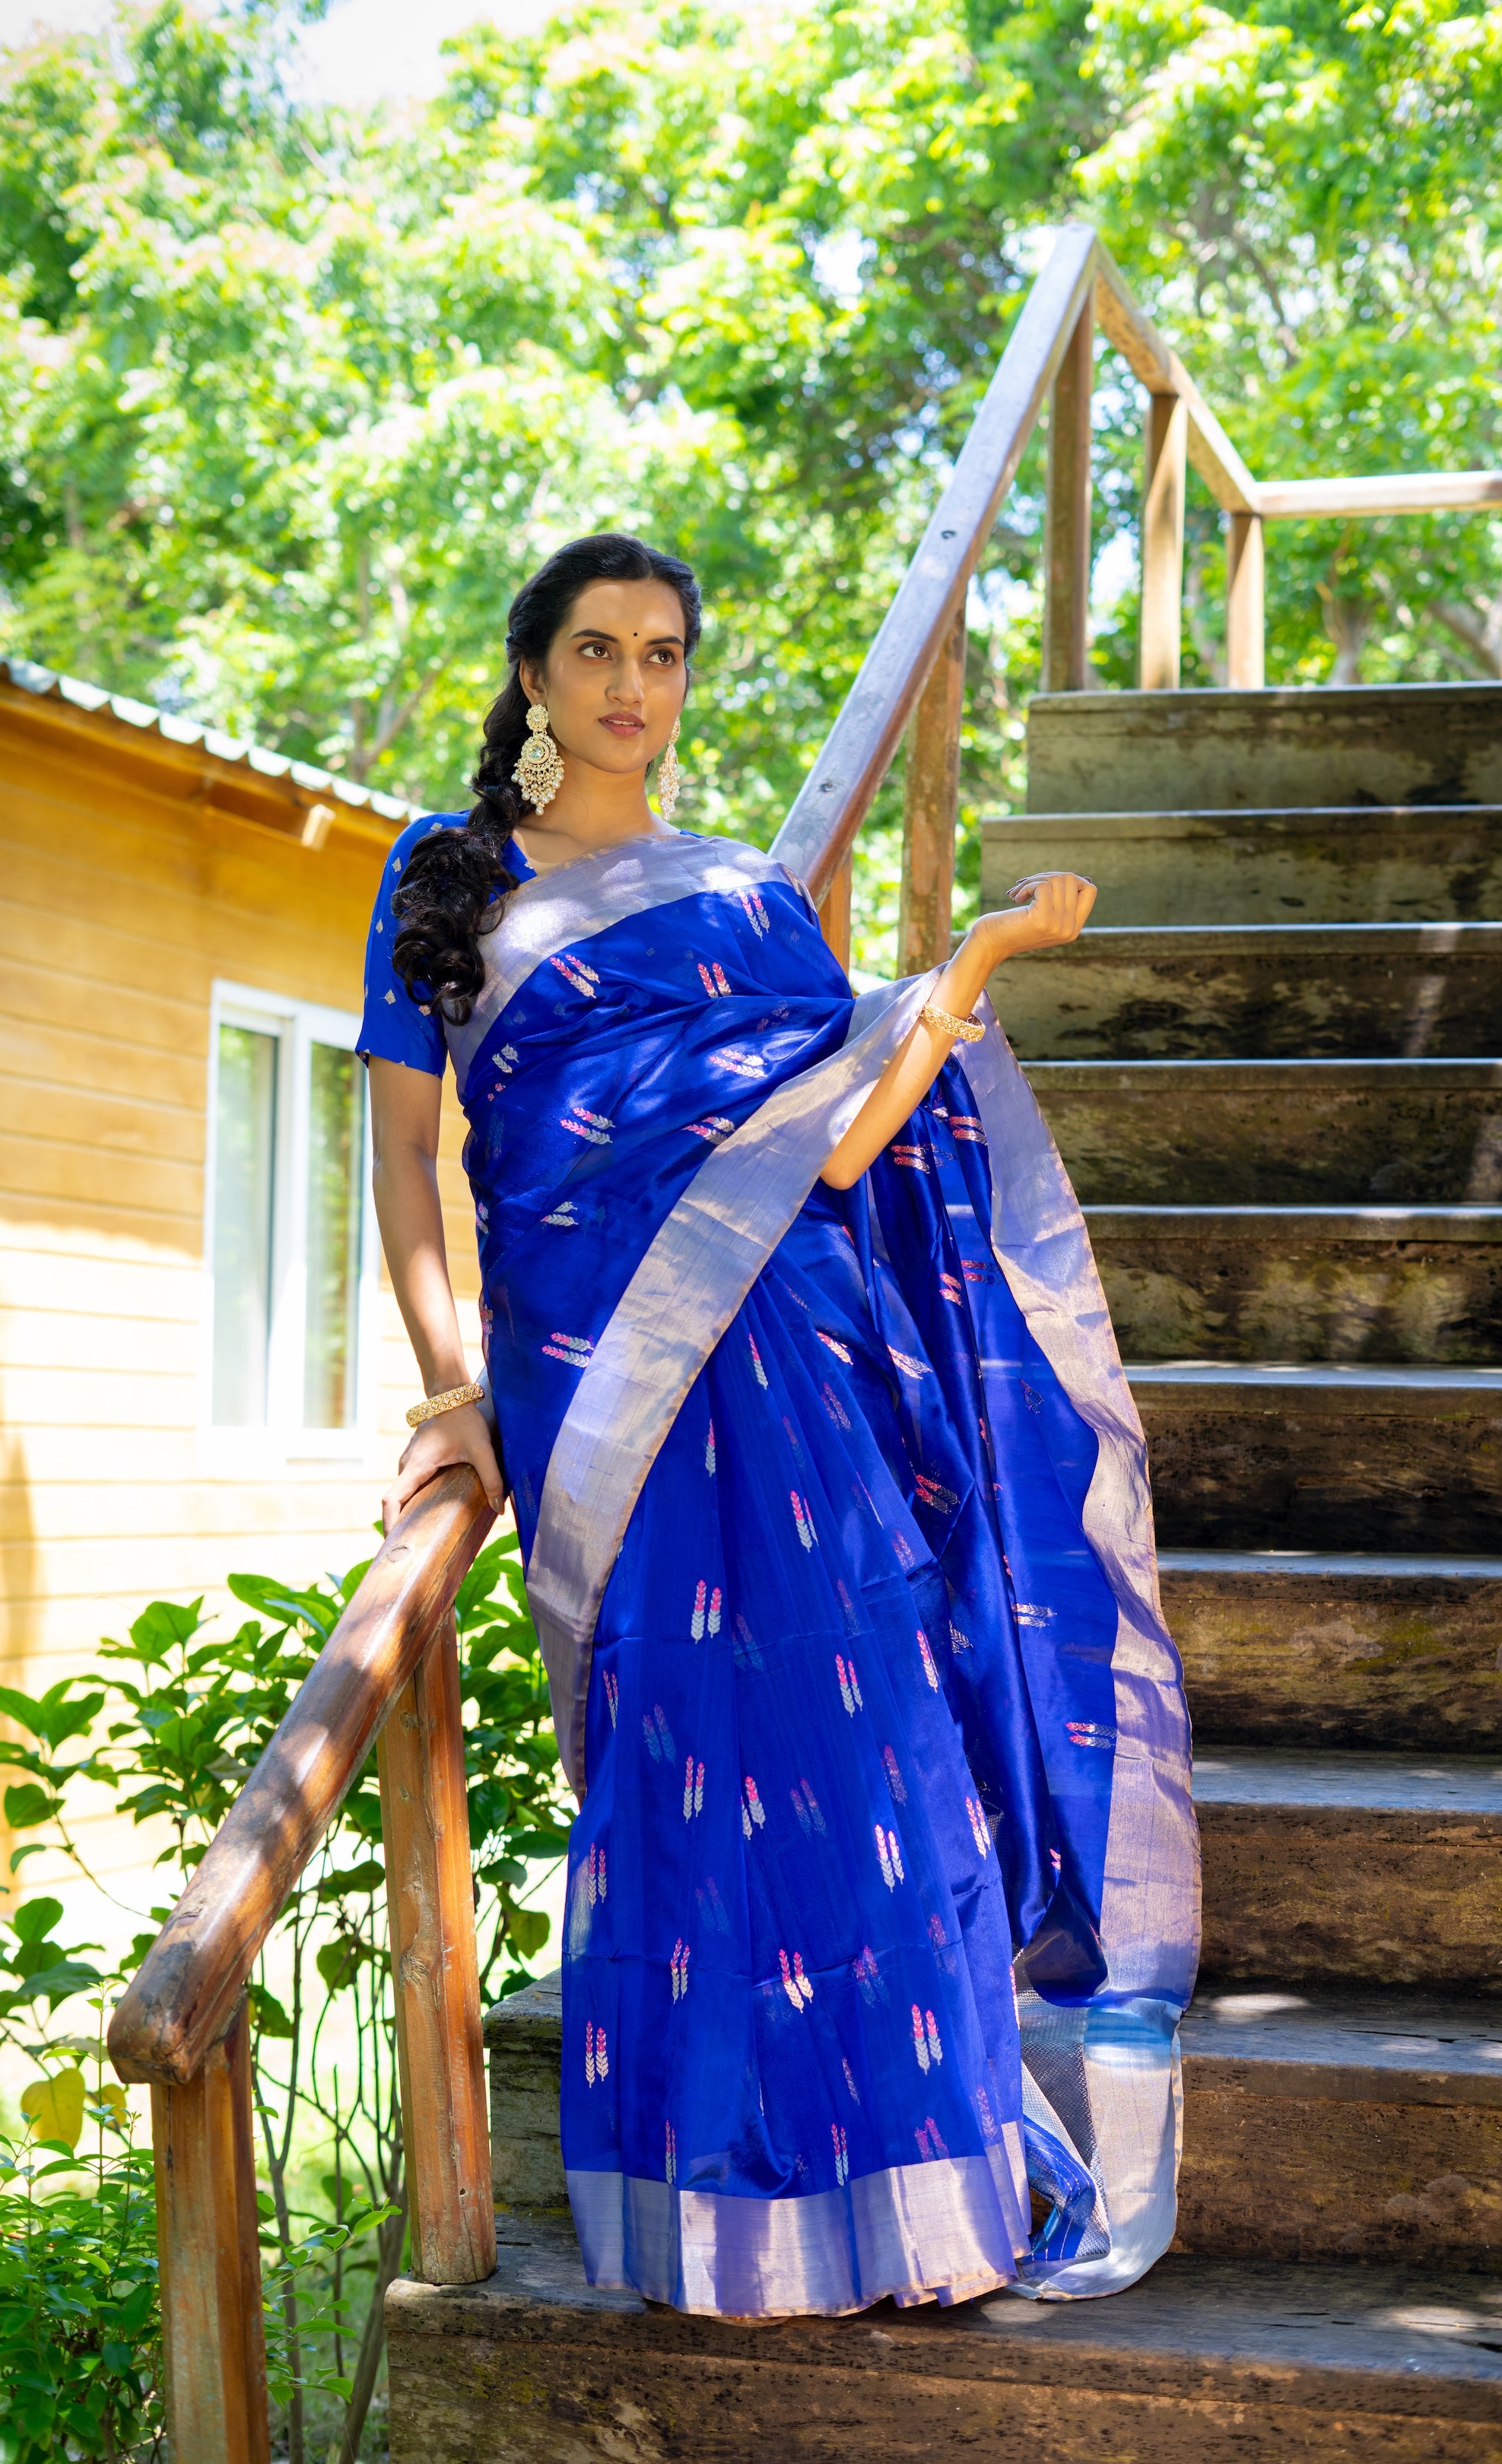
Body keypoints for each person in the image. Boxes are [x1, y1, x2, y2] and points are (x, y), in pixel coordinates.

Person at [357, 532, 1197, 2321]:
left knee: (871, 1746)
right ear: (532, 672)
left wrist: (962, 969)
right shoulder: (443, 884)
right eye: (594, 650)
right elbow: (408, 1180)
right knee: (678, 1765)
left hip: (795, 1368)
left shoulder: (742, 898)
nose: (629, 687)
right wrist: (456, 1393)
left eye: (662, 653)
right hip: (601, 1389)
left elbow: (830, 1139)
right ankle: (718, 2219)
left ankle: (919, 2209)